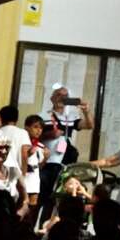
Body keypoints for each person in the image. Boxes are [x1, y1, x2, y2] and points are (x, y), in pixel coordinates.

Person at [38, 84, 93, 222]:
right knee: (41, 198)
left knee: (54, 201)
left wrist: (86, 111)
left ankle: (45, 227)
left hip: (63, 164)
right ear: (52, 98)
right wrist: (53, 134)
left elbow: (89, 125)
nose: (62, 99)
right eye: (58, 95)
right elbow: (35, 135)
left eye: (65, 96)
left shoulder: (70, 117)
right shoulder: (44, 115)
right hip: (47, 162)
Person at [18, 114, 47, 211]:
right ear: (27, 128)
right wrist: (28, 155)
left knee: (32, 207)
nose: (39, 130)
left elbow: (39, 167)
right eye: (35, 127)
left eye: (41, 128)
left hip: (34, 180)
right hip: (23, 179)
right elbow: (17, 161)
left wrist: (46, 158)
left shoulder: (40, 146)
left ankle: (29, 225)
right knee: (21, 205)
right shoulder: (20, 143)